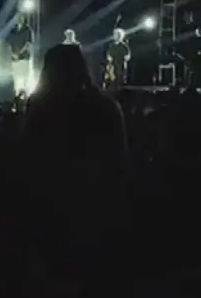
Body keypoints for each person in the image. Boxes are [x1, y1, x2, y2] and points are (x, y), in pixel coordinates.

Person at [18, 43, 127, 290]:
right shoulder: (106, 107)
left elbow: (27, 156)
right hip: (96, 207)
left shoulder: (40, 107)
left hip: (50, 208)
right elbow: (119, 160)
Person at [9, 13, 33, 94]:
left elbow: (28, 44)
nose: (20, 19)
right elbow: (10, 44)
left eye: (22, 17)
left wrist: (19, 54)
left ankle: (25, 94)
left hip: (24, 57)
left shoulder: (27, 29)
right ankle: (17, 94)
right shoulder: (13, 30)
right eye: (18, 17)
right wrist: (13, 54)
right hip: (14, 58)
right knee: (16, 77)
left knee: (24, 76)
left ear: (24, 19)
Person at [104, 28, 130, 92]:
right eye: (115, 35)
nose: (116, 36)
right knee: (112, 80)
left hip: (120, 65)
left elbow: (127, 56)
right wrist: (110, 60)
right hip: (112, 66)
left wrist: (124, 59)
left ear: (120, 36)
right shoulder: (112, 45)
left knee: (120, 80)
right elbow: (108, 55)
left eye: (117, 35)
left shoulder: (123, 46)